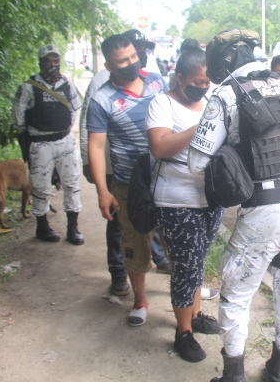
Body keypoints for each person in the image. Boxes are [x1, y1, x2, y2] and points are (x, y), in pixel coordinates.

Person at [188, 29, 280, 382]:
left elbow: (197, 162)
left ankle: (234, 376)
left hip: (264, 210)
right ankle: (279, 368)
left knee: (237, 295)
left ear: (221, 62)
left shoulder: (225, 94)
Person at [146, 42, 223, 362]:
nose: (203, 87)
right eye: (197, 82)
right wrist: (199, 127)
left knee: (198, 261)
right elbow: (160, 147)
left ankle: (195, 313)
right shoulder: (161, 104)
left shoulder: (211, 102)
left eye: (207, 82)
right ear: (180, 78)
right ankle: (183, 332)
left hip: (211, 197)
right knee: (185, 267)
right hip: (176, 200)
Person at [80, 37, 171, 297]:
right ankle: (140, 301)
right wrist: (102, 191)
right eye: (123, 60)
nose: (131, 63)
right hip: (128, 183)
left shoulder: (156, 80)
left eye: (133, 56)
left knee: (176, 241)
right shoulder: (101, 100)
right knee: (134, 244)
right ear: (109, 66)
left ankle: (185, 299)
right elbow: (96, 147)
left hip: (166, 177)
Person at [12, 44, 83, 244]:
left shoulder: (67, 85)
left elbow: (76, 109)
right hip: (40, 143)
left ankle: (73, 228)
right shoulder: (29, 87)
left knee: (71, 184)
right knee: (41, 187)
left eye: (55, 60)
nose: (52, 64)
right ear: (41, 62)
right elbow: (18, 117)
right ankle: (42, 227)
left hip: (64, 141)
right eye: (47, 60)